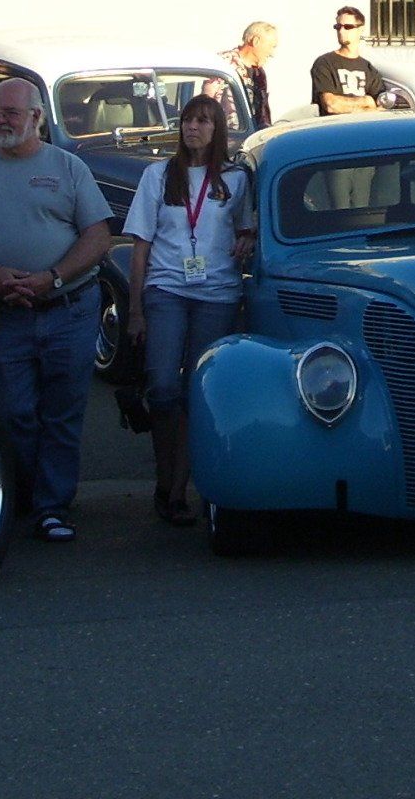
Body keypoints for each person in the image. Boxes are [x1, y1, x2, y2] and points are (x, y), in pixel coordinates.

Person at [0, 78, 113, 542]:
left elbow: (98, 236)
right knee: (14, 411)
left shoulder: (68, 167)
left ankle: (52, 507)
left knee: (62, 412)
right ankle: (18, 498)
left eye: (11, 112)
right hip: (10, 311)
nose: (0, 120)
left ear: (37, 117)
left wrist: (53, 277)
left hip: (70, 307)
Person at [122, 94, 254, 526]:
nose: (192, 128)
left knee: (198, 391)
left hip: (217, 292)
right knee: (163, 387)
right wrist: (135, 311)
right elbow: (140, 247)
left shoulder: (235, 179)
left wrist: (248, 238)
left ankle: (177, 490)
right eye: (187, 120)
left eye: (202, 121)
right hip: (166, 288)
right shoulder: (158, 175)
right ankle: (164, 477)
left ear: (217, 129)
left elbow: (248, 228)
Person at [310, 6, 387, 115]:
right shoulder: (324, 63)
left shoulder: (369, 69)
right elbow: (331, 105)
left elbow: (381, 109)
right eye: (338, 27)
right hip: (334, 125)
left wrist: (350, 106)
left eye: (348, 27)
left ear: (361, 29)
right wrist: (366, 101)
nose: (341, 31)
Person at [219, 21, 279, 130]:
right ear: (255, 41)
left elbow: (263, 115)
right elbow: (207, 103)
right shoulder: (224, 63)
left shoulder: (259, 74)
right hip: (225, 137)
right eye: (271, 47)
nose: (272, 54)